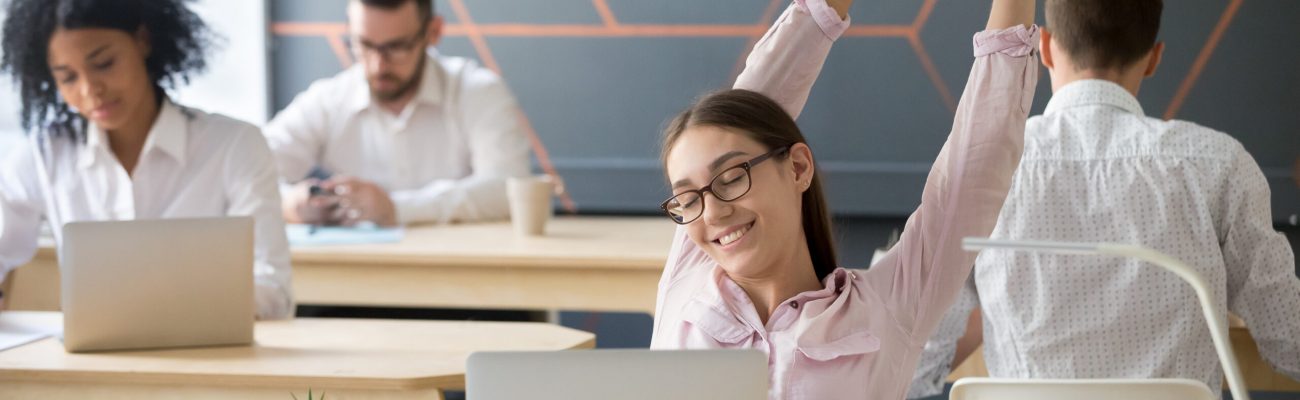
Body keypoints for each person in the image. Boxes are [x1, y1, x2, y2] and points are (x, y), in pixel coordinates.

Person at [908, 0, 1300, 397]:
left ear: (1043, 46)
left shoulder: (984, 166)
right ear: (1153, 58)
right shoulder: (1219, 166)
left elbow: (910, 367)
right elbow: (1289, 340)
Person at [649, 0, 1039, 398]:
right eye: (687, 199)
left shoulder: (889, 308)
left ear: (797, 168)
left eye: (732, 178)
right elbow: (751, 107)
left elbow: (973, 173)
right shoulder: (688, 279)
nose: (712, 211)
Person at [0, 0, 293, 319]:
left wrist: (172, 313)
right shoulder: (44, 156)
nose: (90, 90)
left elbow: (272, 291)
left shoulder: (234, 146)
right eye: (68, 78)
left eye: (104, 63)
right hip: (90, 364)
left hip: (212, 359)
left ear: (143, 40)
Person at [265, 0, 531, 227]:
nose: (379, 64)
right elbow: (248, 172)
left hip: (462, 276)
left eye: (397, 47)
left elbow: (508, 189)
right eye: (365, 45)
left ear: (433, 32)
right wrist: (290, 204)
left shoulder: (478, 91)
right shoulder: (328, 100)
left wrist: (396, 209)